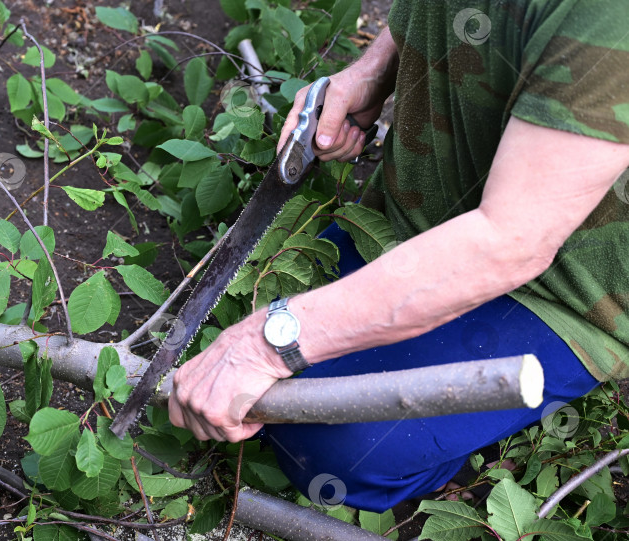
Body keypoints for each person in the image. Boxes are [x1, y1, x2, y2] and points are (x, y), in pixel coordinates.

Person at [168, 0, 629, 512]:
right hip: (424, 204)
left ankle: (460, 465)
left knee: (335, 449)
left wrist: (264, 344)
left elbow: (510, 243)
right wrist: (375, 70)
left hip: (562, 287)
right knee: (258, 328)